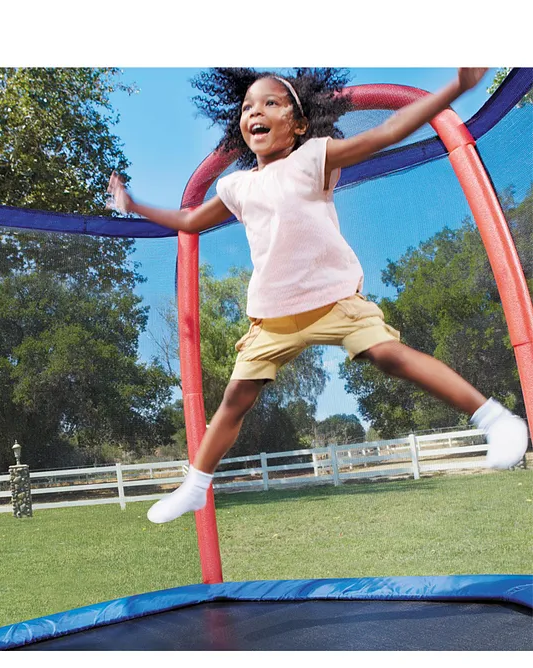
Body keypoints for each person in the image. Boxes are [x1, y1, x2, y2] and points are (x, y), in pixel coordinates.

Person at [107, 67, 529, 524]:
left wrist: (455, 88)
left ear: (300, 123)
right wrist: (135, 207)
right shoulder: (237, 186)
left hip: (333, 300)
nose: (256, 112)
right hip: (272, 315)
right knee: (235, 400)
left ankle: (495, 419)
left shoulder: (313, 158)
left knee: (390, 355)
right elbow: (189, 222)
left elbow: (387, 131)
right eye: (248, 107)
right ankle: (195, 486)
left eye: (270, 103)